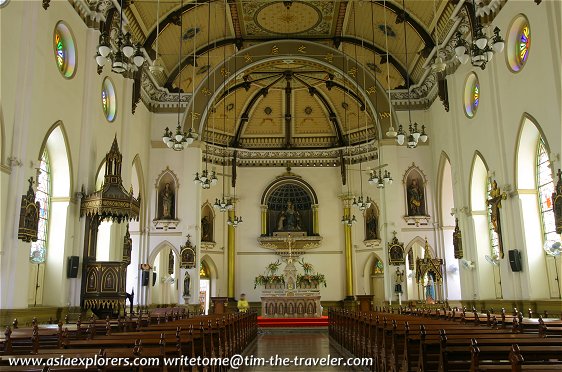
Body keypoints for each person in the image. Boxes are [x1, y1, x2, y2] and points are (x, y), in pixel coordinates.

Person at [487, 180, 506, 258]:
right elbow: (489, 201)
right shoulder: (492, 201)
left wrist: (501, 196)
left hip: (496, 210)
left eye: (494, 185)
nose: (493, 186)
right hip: (494, 211)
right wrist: (489, 201)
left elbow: (500, 197)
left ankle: (501, 251)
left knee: (498, 228)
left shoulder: (496, 199)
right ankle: (495, 228)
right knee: (493, 221)